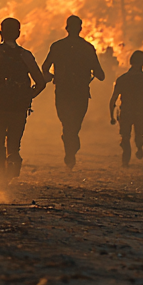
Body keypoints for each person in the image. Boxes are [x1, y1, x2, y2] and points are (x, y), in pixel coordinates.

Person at [0, 17, 46, 186]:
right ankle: (12, 160)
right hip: (19, 107)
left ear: (1, 33)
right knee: (14, 144)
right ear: (18, 34)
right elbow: (40, 82)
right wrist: (28, 96)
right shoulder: (25, 56)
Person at [40, 15, 106, 170]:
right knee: (75, 124)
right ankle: (72, 146)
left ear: (67, 28)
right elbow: (101, 74)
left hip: (62, 91)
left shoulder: (57, 46)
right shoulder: (88, 48)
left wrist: (51, 77)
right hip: (80, 93)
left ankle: (70, 147)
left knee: (66, 123)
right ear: (81, 28)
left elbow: (45, 67)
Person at [109, 51, 143, 167]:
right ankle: (139, 146)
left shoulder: (122, 79)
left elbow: (113, 99)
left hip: (126, 111)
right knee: (139, 134)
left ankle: (126, 160)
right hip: (140, 111)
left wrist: (112, 116)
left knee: (125, 136)